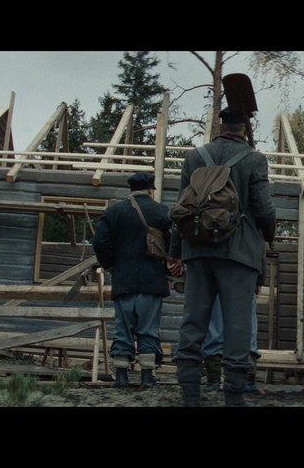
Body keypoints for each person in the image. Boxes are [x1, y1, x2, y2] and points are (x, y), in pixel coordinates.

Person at [169, 107, 276, 407]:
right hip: (238, 254)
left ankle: (190, 394)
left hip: (198, 250)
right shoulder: (255, 159)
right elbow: (264, 209)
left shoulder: (194, 157)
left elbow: (181, 207)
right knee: (238, 325)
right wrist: (269, 235)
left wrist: (176, 253)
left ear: (220, 127)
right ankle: (234, 396)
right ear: (244, 129)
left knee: (193, 321)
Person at [92, 172, 175, 389]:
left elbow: (99, 243)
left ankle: (121, 376)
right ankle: (147, 376)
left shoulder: (113, 212)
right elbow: (175, 245)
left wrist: (111, 266)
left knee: (123, 328)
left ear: (131, 189)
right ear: (150, 190)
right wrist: (168, 274)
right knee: (148, 329)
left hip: (124, 280)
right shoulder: (163, 212)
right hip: (152, 281)